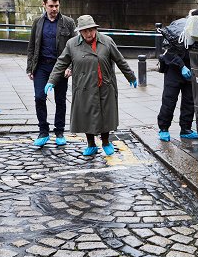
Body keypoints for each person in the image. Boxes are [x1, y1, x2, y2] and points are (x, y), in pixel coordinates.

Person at [46, 15, 137, 156]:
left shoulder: (107, 41)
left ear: (95, 29)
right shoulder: (72, 44)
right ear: (80, 32)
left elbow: (120, 60)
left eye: (91, 30)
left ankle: (106, 142)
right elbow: (61, 63)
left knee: (106, 116)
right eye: (85, 31)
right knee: (86, 116)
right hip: (84, 87)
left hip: (105, 85)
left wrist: (130, 76)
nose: (89, 34)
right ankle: (91, 144)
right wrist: (52, 80)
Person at [26, 0, 76, 148]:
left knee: (60, 100)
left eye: (56, 6)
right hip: (41, 66)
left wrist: (70, 66)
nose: (54, 9)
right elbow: (31, 46)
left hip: (60, 67)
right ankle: (43, 131)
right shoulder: (37, 22)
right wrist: (30, 68)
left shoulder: (68, 22)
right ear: (44, 5)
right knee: (39, 97)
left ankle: (59, 131)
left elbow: (75, 47)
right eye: (51, 6)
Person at [156, 10, 198, 142]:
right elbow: (169, 51)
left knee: (189, 101)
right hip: (174, 69)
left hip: (190, 68)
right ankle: (164, 128)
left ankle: (186, 129)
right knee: (169, 100)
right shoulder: (178, 29)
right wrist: (181, 66)